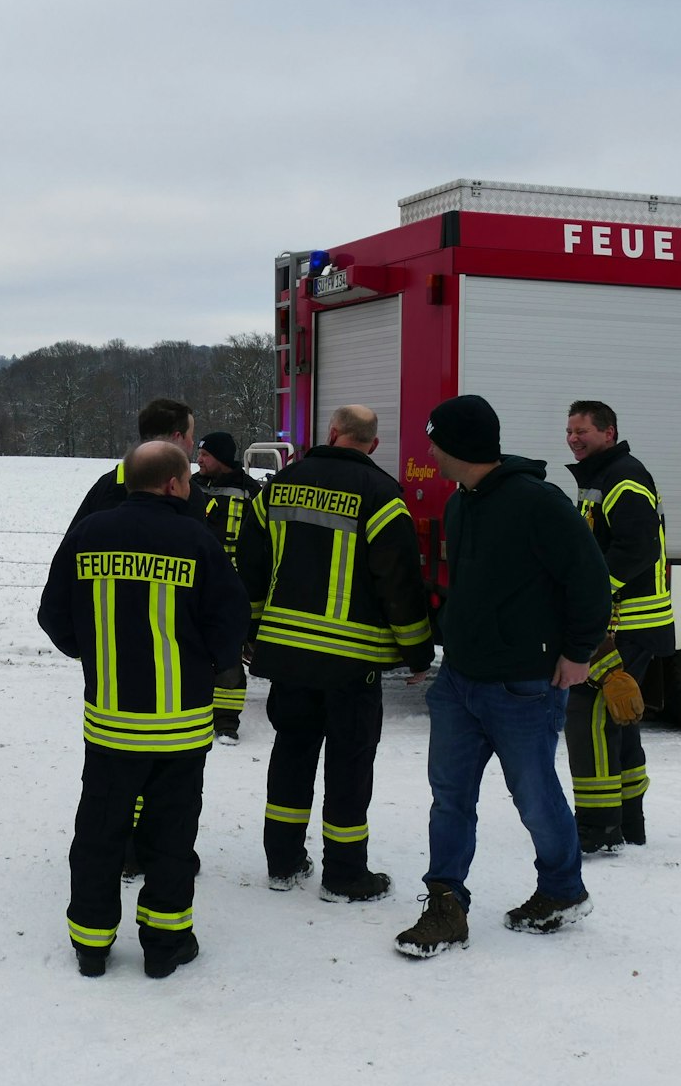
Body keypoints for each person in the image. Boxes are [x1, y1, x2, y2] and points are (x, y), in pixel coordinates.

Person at [393, 395, 610, 959]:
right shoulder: (462, 503)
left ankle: (562, 890)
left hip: (523, 687)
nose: (431, 451)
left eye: (436, 440)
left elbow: (589, 580)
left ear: (460, 445)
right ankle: (446, 904)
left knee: (535, 797)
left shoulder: (537, 503)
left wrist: (580, 652)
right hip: (460, 681)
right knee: (449, 797)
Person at [38, 440, 248, 979]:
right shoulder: (198, 541)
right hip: (181, 725)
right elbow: (230, 629)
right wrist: (208, 662)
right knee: (171, 838)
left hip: (110, 721)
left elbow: (53, 616)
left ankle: (91, 945)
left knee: (100, 831)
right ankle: (165, 945)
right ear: (176, 484)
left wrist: (93, 652)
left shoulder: (88, 534)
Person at [235, 406, 434, 903]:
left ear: (331, 433)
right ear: (373, 444)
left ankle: (282, 862)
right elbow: (399, 580)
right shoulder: (382, 496)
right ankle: (345, 875)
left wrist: (252, 628)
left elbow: (250, 565)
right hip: (352, 662)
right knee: (349, 765)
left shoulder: (278, 486)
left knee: (292, 754)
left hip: (289, 657)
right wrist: (416, 651)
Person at [564, 400, 671, 852]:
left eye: (582, 431)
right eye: (569, 430)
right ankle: (629, 822)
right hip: (624, 622)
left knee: (589, 718)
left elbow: (637, 548)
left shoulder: (624, 478)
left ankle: (597, 829)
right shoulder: (603, 476)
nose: (572, 438)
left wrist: (592, 588)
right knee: (619, 716)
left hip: (626, 623)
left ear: (609, 433)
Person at [195, 430, 263, 743]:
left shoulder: (251, 492)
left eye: (205, 455)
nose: (199, 460)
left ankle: (225, 723)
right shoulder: (190, 486)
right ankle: (193, 711)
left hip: (233, 591)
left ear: (220, 457)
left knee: (229, 658)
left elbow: (263, 542)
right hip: (192, 585)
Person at [70, 398, 210, 525]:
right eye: (191, 436)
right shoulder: (189, 494)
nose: (192, 443)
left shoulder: (104, 487)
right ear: (177, 437)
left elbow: (72, 547)